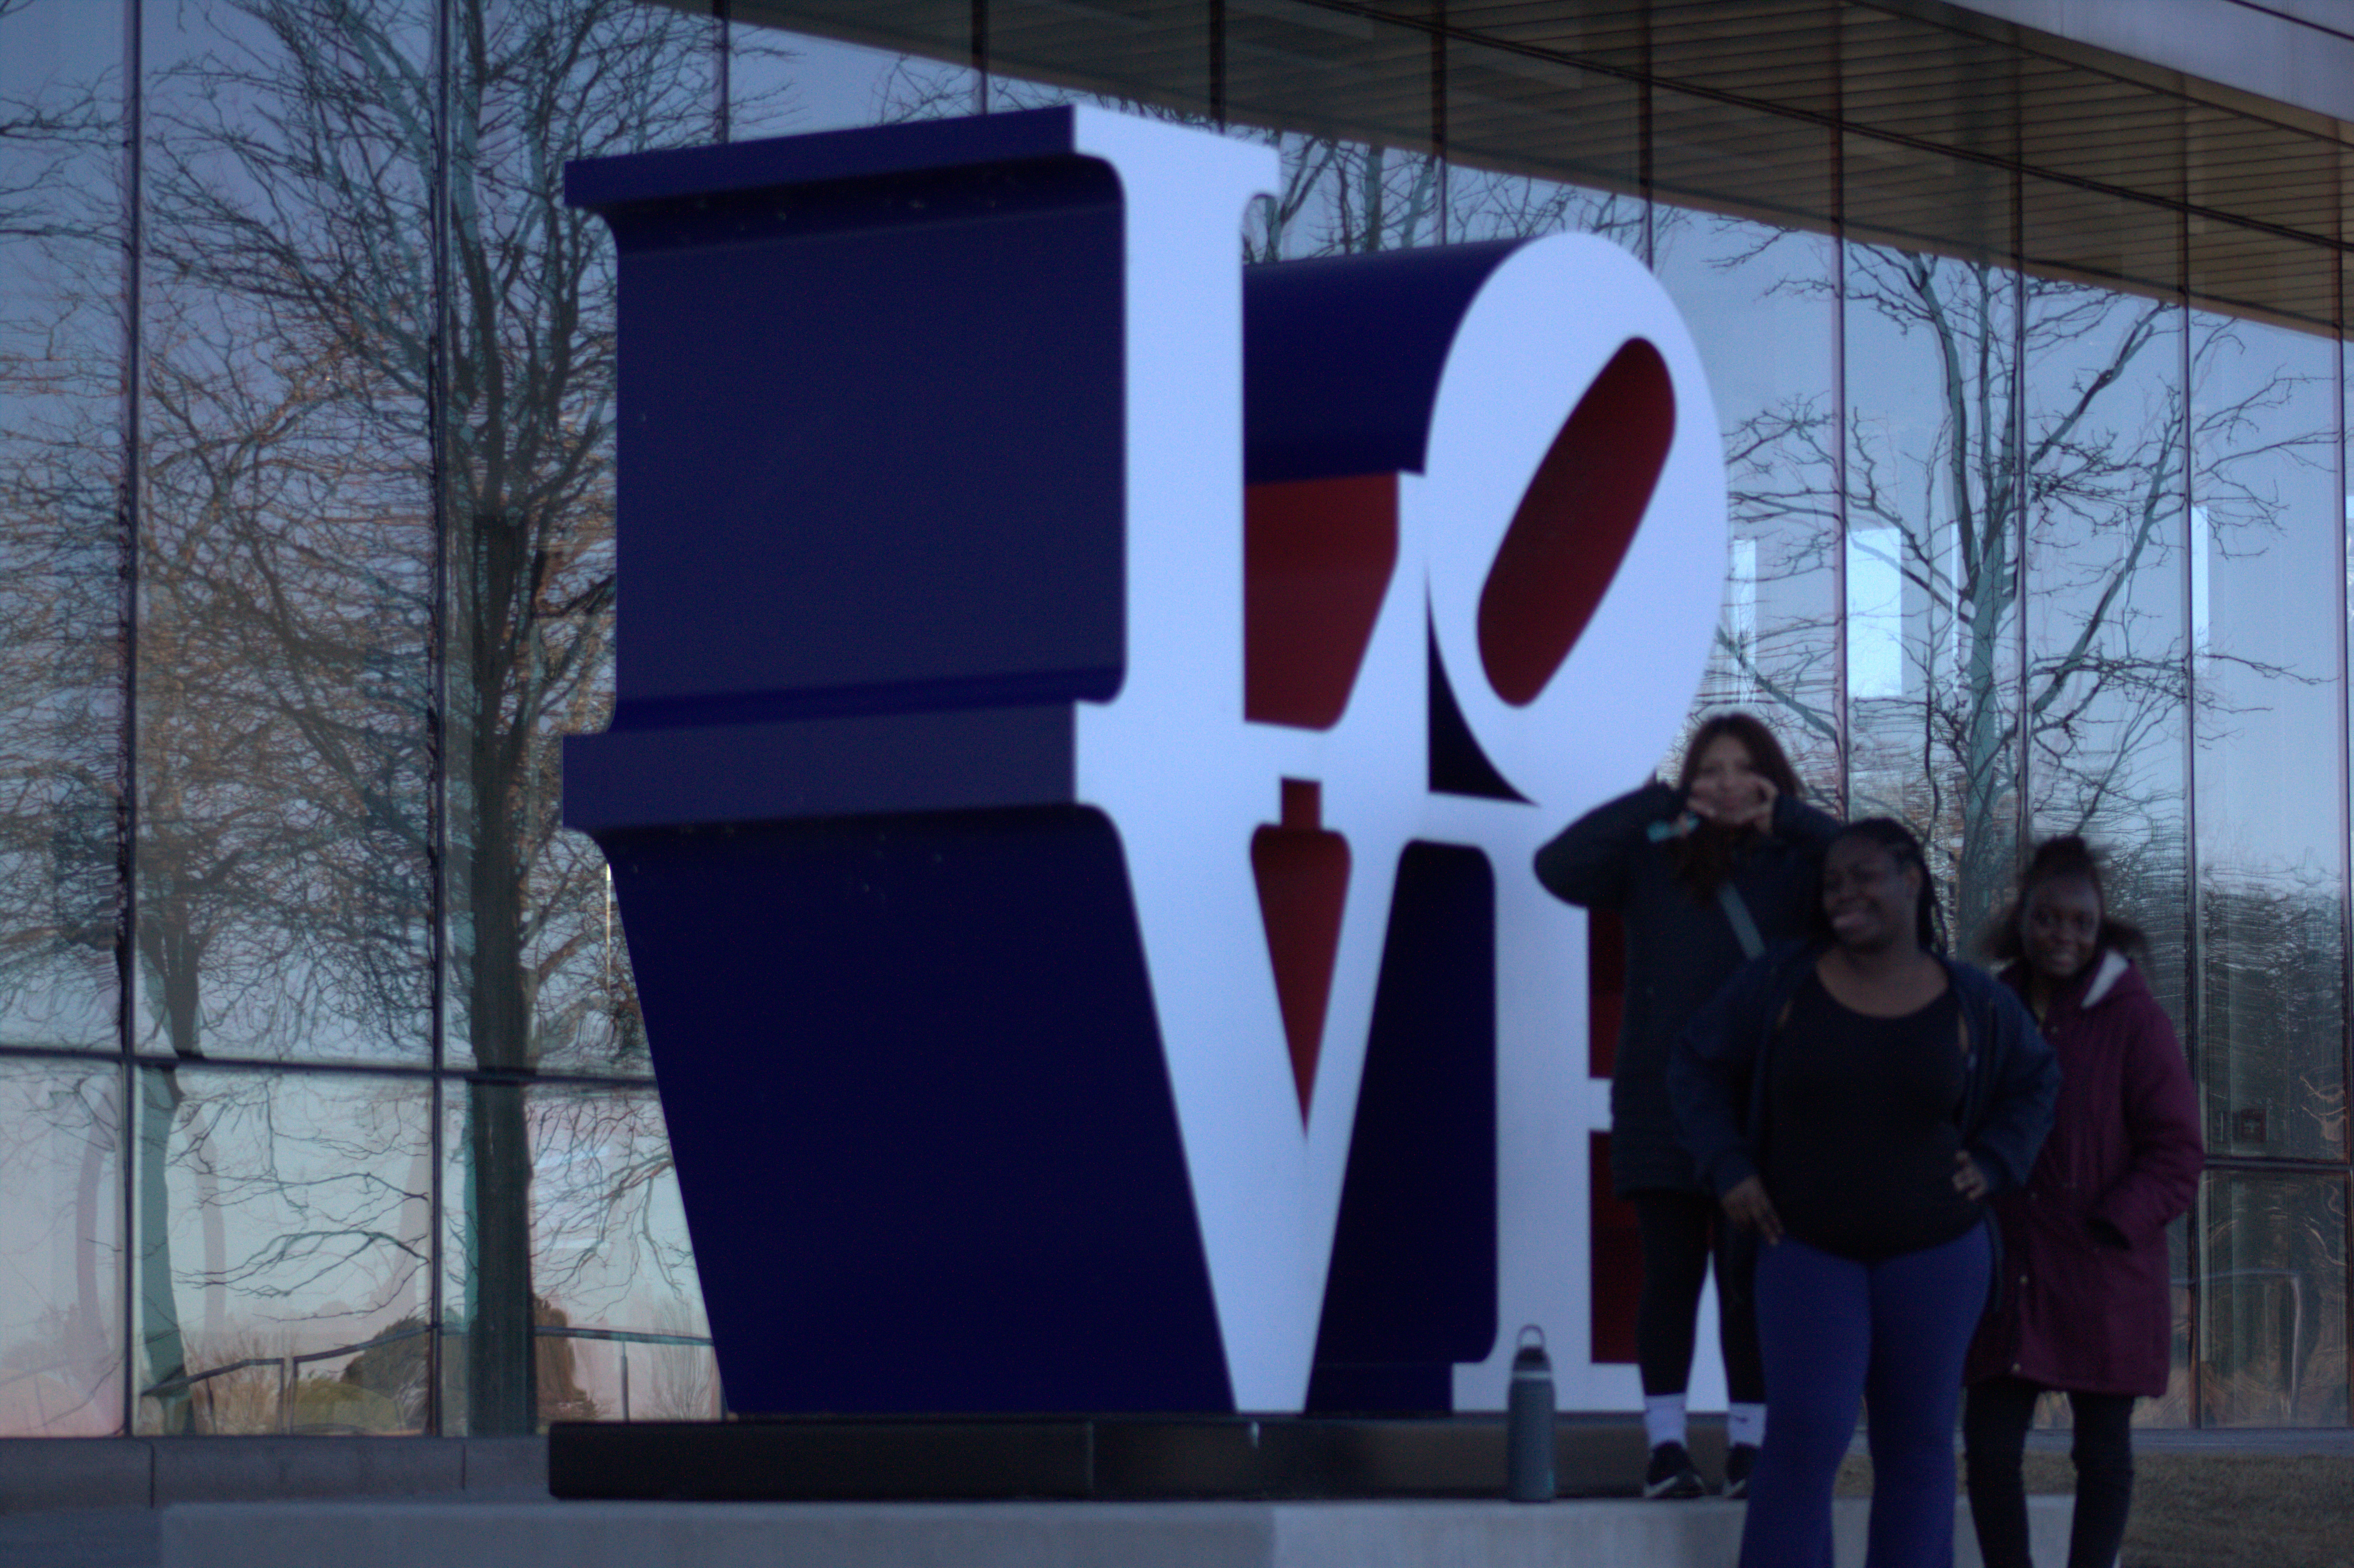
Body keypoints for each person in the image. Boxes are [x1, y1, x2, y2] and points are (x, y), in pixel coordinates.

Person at [1671, 818, 2058, 1568]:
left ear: (1911, 879)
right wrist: (1728, 1166)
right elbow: (1694, 1064)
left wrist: (1997, 1158)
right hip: (1806, 1250)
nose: (1843, 892)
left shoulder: (1970, 1000)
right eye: (1832, 882)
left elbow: (2037, 1079)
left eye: (1863, 875)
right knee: (1804, 1436)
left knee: (1915, 1446)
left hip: (1937, 1256)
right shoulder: (1782, 982)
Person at [1535, 712, 1838, 1498]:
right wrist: (1653, 804)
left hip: (1761, 1102)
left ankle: (1750, 1447)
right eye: (1711, 768)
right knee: (1669, 1272)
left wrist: (1792, 819)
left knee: (1750, 1277)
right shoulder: (1654, 854)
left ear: (1770, 777)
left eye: (1744, 768)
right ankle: (1664, 1449)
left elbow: (1878, 869)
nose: (1727, 782)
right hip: (1658, 1096)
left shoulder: (1799, 866)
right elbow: (1557, 867)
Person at [1962, 836, 2202, 1568]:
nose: (2062, 935)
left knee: (2101, 1453)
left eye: (2079, 922)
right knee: (1990, 1449)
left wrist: (2111, 1220)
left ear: (2100, 928)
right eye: (2047, 918)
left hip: (2103, 1276)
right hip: (2009, 1272)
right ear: (2022, 918)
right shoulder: (1991, 1005)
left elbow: (2175, 1153)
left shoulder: (2134, 1018)